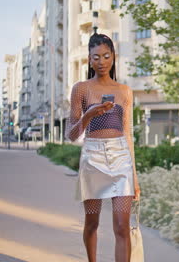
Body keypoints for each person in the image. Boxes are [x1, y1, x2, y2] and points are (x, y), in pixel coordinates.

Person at [66, 30, 140, 262]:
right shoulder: (81, 89)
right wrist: (87, 116)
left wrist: (134, 177)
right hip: (93, 159)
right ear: (89, 59)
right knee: (92, 223)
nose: (101, 62)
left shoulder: (124, 91)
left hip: (121, 159)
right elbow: (71, 135)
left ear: (114, 57)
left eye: (106, 56)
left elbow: (128, 134)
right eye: (96, 57)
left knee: (121, 227)